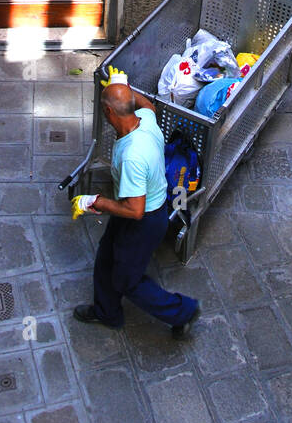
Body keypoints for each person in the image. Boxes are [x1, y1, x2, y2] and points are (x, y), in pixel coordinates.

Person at [73, 72, 201, 337]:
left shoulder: (132, 157)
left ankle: (183, 312)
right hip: (144, 204)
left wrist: (96, 202)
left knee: (127, 280)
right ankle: (106, 311)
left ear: (108, 112)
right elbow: (150, 106)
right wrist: (126, 87)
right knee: (106, 256)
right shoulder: (146, 120)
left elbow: (135, 210)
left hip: (144, 219)